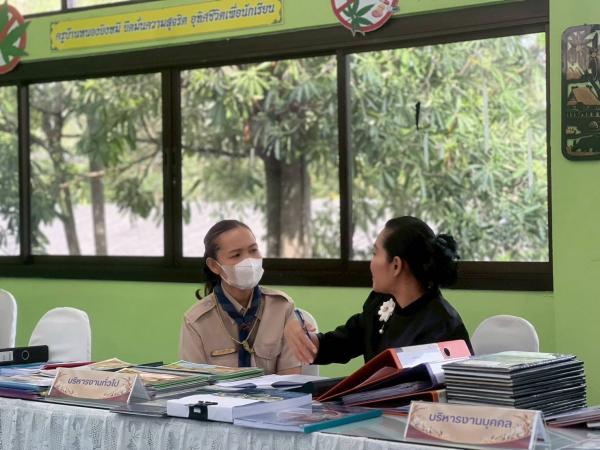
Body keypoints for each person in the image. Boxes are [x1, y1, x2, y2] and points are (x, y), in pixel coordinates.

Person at [285, 216, 472, 366]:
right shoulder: (380, 302)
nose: (371, 263)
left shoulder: (443, 326)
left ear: (396, 265)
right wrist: (301, 334)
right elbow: (342, 343)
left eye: (375, 253)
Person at [179, 220, 301, 374]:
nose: (249, 261)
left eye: (253, 250)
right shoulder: (196, 321)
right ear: (214, 266)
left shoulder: (282, 307)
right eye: (236, 255)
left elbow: (290, 378)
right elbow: (195, 382)